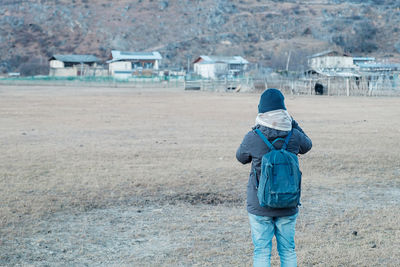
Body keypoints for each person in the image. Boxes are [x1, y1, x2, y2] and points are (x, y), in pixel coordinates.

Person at [236, 88, 312, 267]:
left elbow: (240, 157)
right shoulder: (293, 135)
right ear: (283, 110)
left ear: (261, 111)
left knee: (262, 250)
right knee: (288, 250)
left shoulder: (254, 136)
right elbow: (308, 145)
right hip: (288, 202)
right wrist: (293, 123)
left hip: (259, 203)